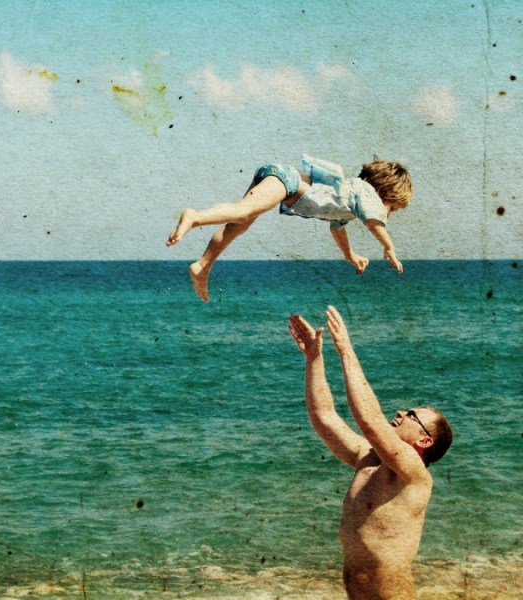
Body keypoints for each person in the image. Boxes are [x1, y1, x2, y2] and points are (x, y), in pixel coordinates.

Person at [288, 306, 452, 600]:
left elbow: (371, 421)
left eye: (412, 415)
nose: (401, 411)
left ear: (425, 441)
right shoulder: (368, 457)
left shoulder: (414, 474)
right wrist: (314, 359)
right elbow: (324, 416)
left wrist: (346, 350)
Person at [166, 155, 413, 302]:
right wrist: (388, 246)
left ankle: (203, 265)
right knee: (243, 212)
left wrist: (350, 255)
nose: (388, 213)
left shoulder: (350, 202)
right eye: (392, 208)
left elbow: (337, 229)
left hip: (280, 177)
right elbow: (374, 221)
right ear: (383, 192)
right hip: (287, 182)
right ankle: (194, 216)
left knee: (239, 221)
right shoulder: (366, 193)